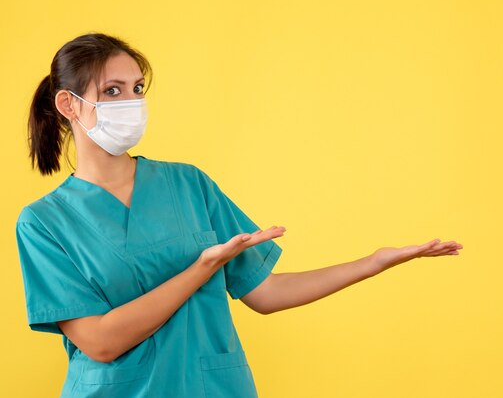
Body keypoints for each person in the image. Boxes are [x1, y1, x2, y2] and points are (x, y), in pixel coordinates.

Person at [16, 32, 463, 398]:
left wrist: (374, 262)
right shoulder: (43, 223)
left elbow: (265, 293)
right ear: (68, 105)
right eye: (112, 91)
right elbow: (100, 340)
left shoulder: (187, 185)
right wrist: (203, 267)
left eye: (136, 89)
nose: (130, 102)